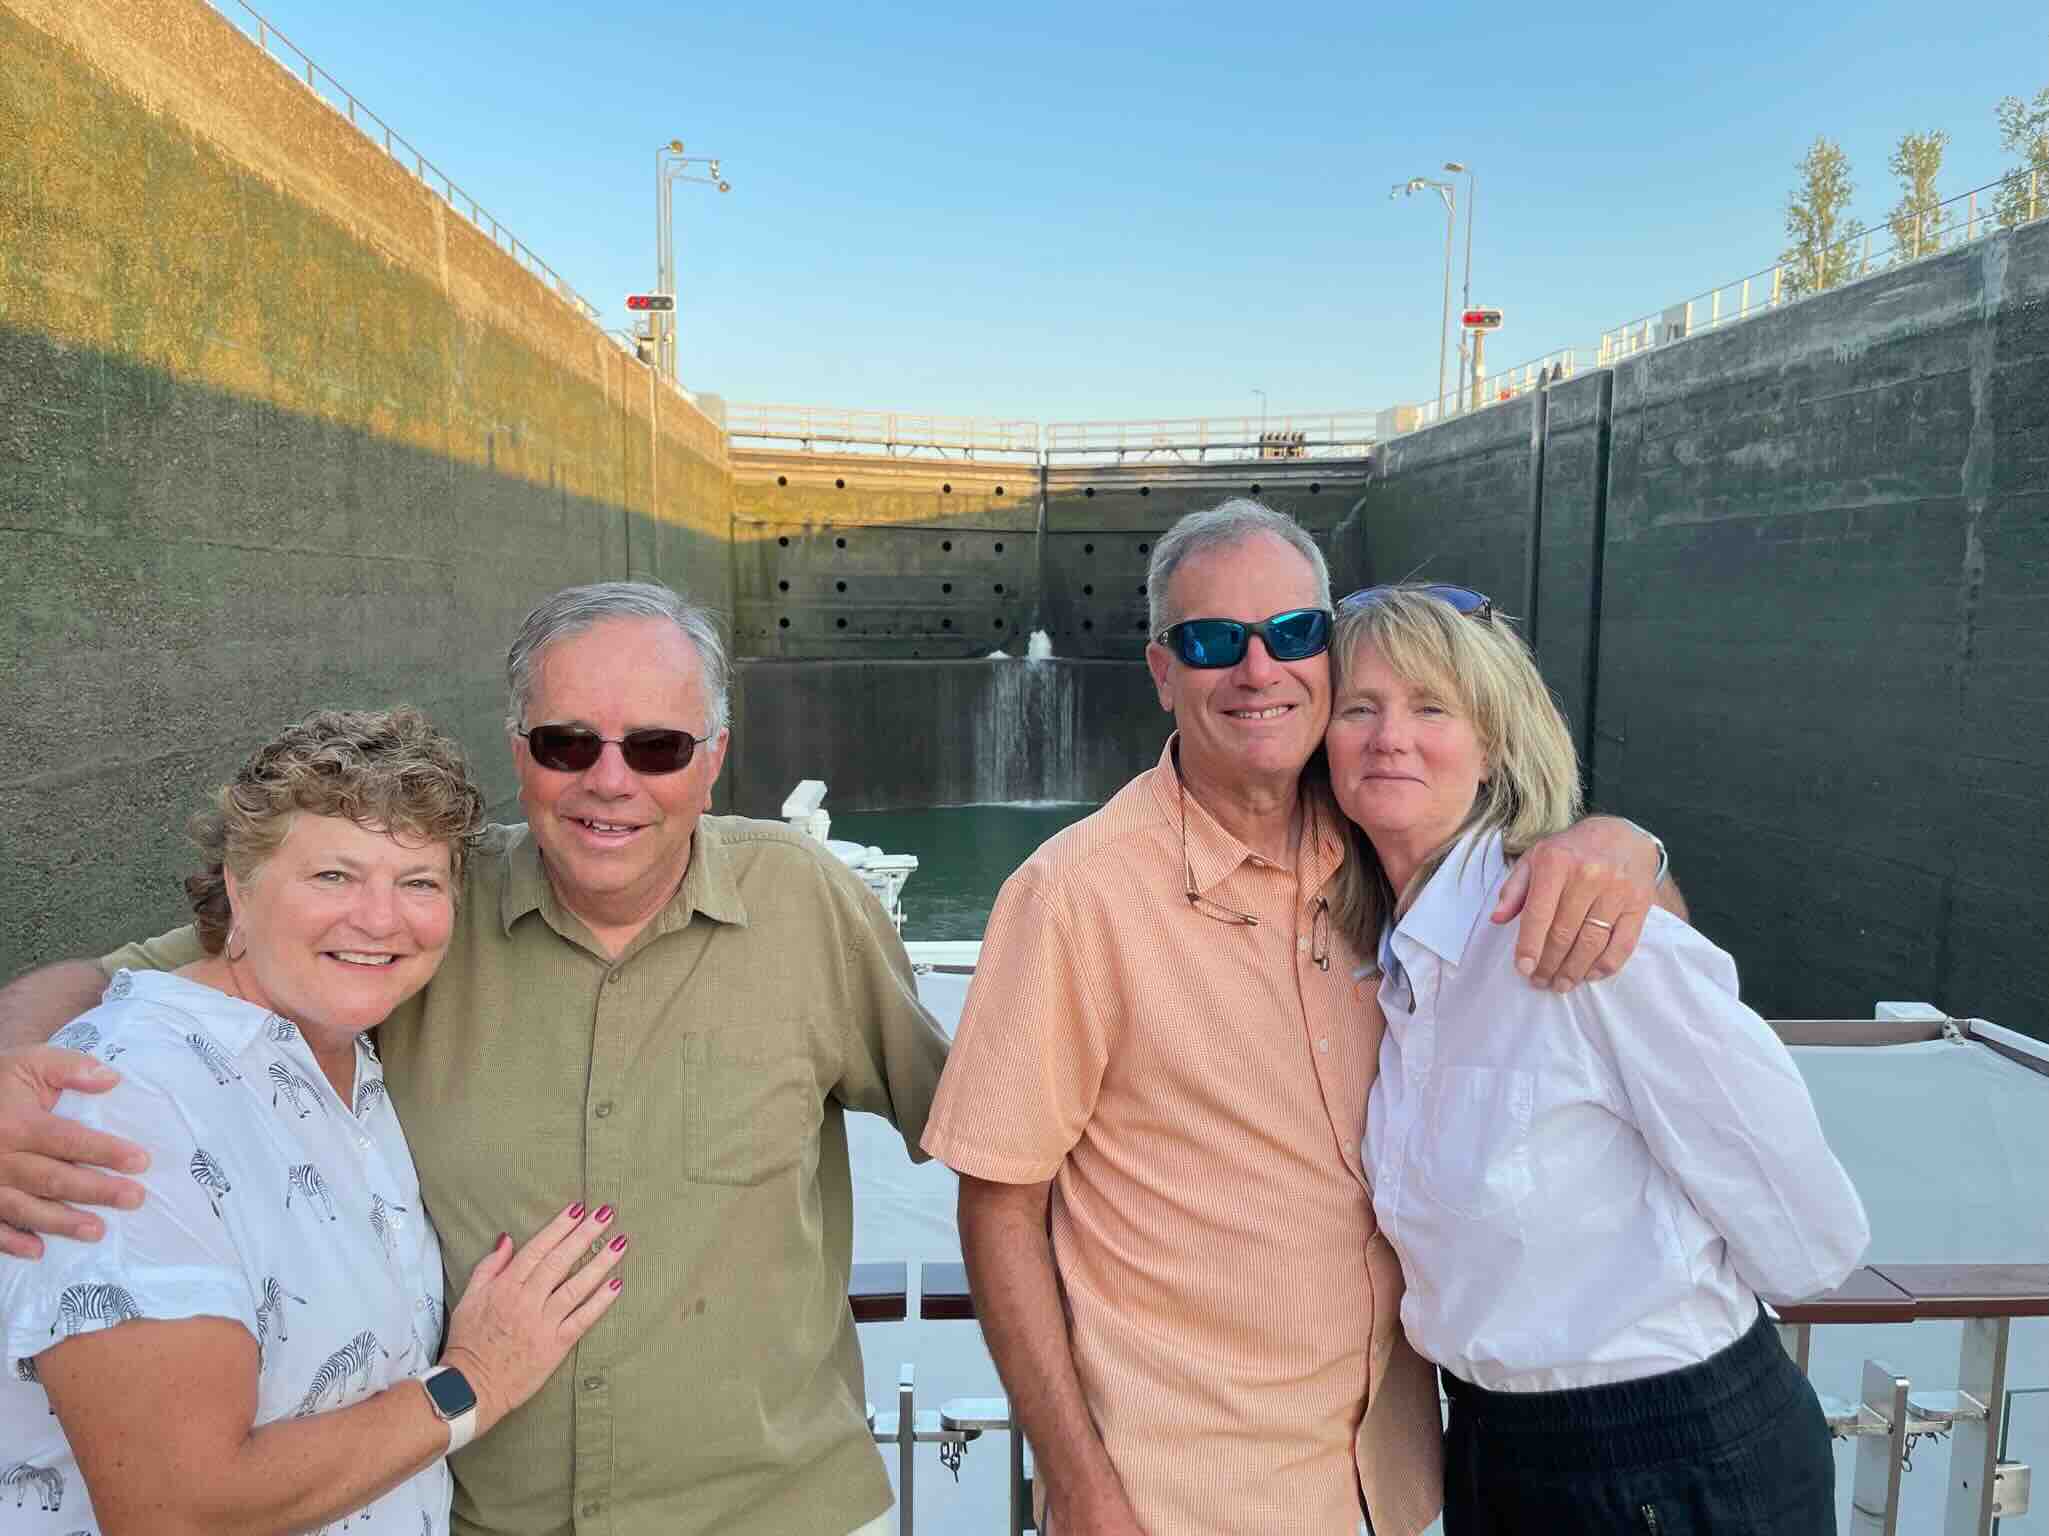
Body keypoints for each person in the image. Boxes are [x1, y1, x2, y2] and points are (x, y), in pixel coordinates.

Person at [0, 582, 951, 1536]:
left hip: (773, 1515)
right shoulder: (416, 911)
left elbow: (981, 1128)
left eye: (657, 747)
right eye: (567, 743)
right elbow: (117, 981)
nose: (609, 781)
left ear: (713, 762)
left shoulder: (808, 904)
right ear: (520, 753)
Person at [919, 502, 1681, 1536]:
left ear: (1327, 649)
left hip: (1397, 1481)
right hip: (1184, 1495)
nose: (1257, 670)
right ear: (1161, 669)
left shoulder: (1387, 833)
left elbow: (1626, 921)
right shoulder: (1074, 898)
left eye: (1291, 634)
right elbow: (998, 1209)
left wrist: (1627, 847)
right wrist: (1087, 1494)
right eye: (1210, 642)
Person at [0, 706, 627, 1536]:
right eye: (333, 876)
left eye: (418, 882)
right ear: (239, 884)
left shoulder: (347, 1064)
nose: (379, 919)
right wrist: (475, 1377)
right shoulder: (125, 1101)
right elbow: (177, 1512)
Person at [1323, 584, 1867, 1533]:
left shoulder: (1590, 942)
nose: (1388, 737)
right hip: (1492, 1450)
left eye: (1430, 708)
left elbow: (1808, 1239)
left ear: (1492, 745)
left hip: (1669, 1455)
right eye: (1357, 708)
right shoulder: (1389, 960)